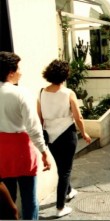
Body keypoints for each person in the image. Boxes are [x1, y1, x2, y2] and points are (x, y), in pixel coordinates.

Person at [0, 51, 51, 220]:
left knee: (8, 198)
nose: (21, 71)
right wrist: (43, 152)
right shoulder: (20, 93)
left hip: (2, 150)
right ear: (11, 72)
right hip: (21, 148)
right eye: (19, 68)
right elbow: (33, 127)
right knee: (29, 199)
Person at [38, 59, 91, 217]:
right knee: (65, 171)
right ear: (64, 75)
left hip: (50, 136)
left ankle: (69, 191)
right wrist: (85, 133)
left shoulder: (41, 92)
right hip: (67, 134)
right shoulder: (68, 93)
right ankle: (60, 207)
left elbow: (39, 118)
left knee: (62, 167)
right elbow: (78, 117)